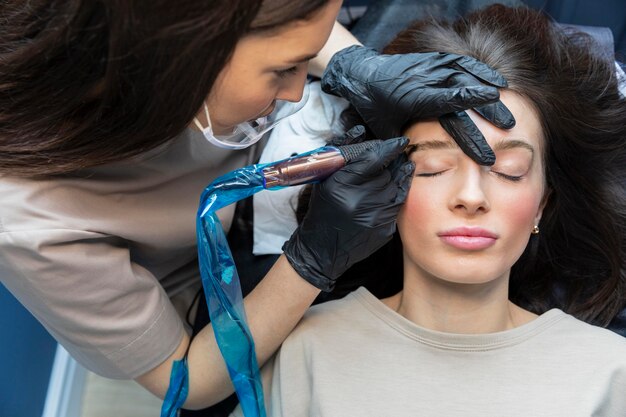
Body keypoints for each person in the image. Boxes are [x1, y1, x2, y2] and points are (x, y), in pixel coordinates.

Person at [0, 0, 518, 411]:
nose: (298, 95)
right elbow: (188, 381)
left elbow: (291, 32)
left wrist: (353, 60)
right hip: (220, 291)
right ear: (178, 60)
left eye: (510, 172)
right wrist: (313, 257)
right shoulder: (27, 221)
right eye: (283, 71)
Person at [233, 4, 626, 416]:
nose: (470, 197)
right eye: (433, 167)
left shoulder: (611, 373)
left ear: (542, 206)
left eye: (510, 172)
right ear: (382, 187)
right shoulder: (303, 354)